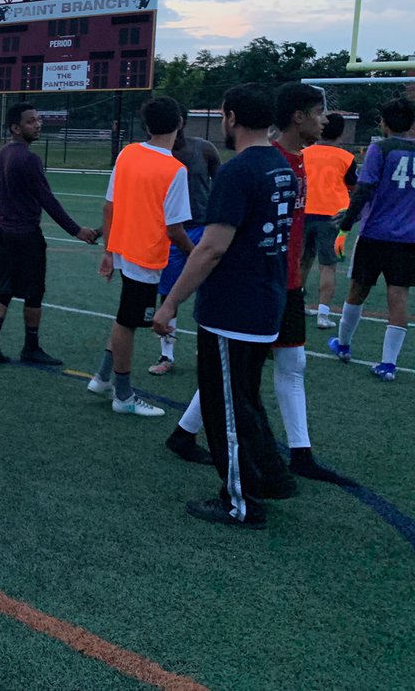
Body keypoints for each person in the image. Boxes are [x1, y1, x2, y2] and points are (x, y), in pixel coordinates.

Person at [166, 82, 351, 484]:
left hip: (270, 286)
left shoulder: (276, 164)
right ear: (295, 117)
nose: (325, 120)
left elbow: (221, 244)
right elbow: (219, 244)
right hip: (262, 287)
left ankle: (265, 467)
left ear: (231, 118)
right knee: (237, 379)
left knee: (244, 378)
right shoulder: (270, 164)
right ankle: (264, 468)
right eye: (318, 112)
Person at [153, 83, 297, 529]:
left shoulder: (238, 171)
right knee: (244, 399)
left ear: (231, 117)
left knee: (226, 410)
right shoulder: (281, 165)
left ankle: (239, 502)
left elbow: (212, 248)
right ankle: (269, 476)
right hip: (265, 300)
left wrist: (170, 303)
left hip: (234, 308)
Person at [88, 97, 193, 416]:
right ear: (180, 123)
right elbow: (174, 229)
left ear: (147, 126)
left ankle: (102, 378)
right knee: (127, 322)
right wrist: (196, 255)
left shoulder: (128, 153)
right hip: (145, 257)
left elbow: (109, 206)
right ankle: (123, 395)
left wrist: (109, 251)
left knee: (127, 317)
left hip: (124, 250)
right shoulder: (175, 170)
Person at [0, 104, 98, 367]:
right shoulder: (29, 159)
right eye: (31, 121)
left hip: (2, 231)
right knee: (33, 293)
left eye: (38, 119)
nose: (38, 124)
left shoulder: (1, 153)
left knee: (3, 291)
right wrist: (77, 230)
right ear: (16, 128)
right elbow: (47, 200)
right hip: (25, 234)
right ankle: (31, 348)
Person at [329, 96, 415, 381]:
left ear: (384, 123)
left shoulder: (380, 149)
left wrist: (346, 224)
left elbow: (364, 190)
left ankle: (343, 345)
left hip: (375, 233)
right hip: (408, 238)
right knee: (398, 296)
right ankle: (389, 364)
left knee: (358, 290)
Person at [147, 112, 220, 376]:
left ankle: (207, 348)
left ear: (181, 122)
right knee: (169, 293)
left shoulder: (204, 149)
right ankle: (166, 354)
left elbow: (220, 186)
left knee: (209, 290)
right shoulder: (152, 154)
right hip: (170, 233)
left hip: (202, 228)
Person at [301, 113, 357, 329]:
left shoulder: (304, 153)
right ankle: (323, 314)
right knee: (328, 266)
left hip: (304, 211)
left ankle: (296, 305)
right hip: (333, 215)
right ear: (341, 132)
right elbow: (353, 186)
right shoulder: (346, 157)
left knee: (302, 261)